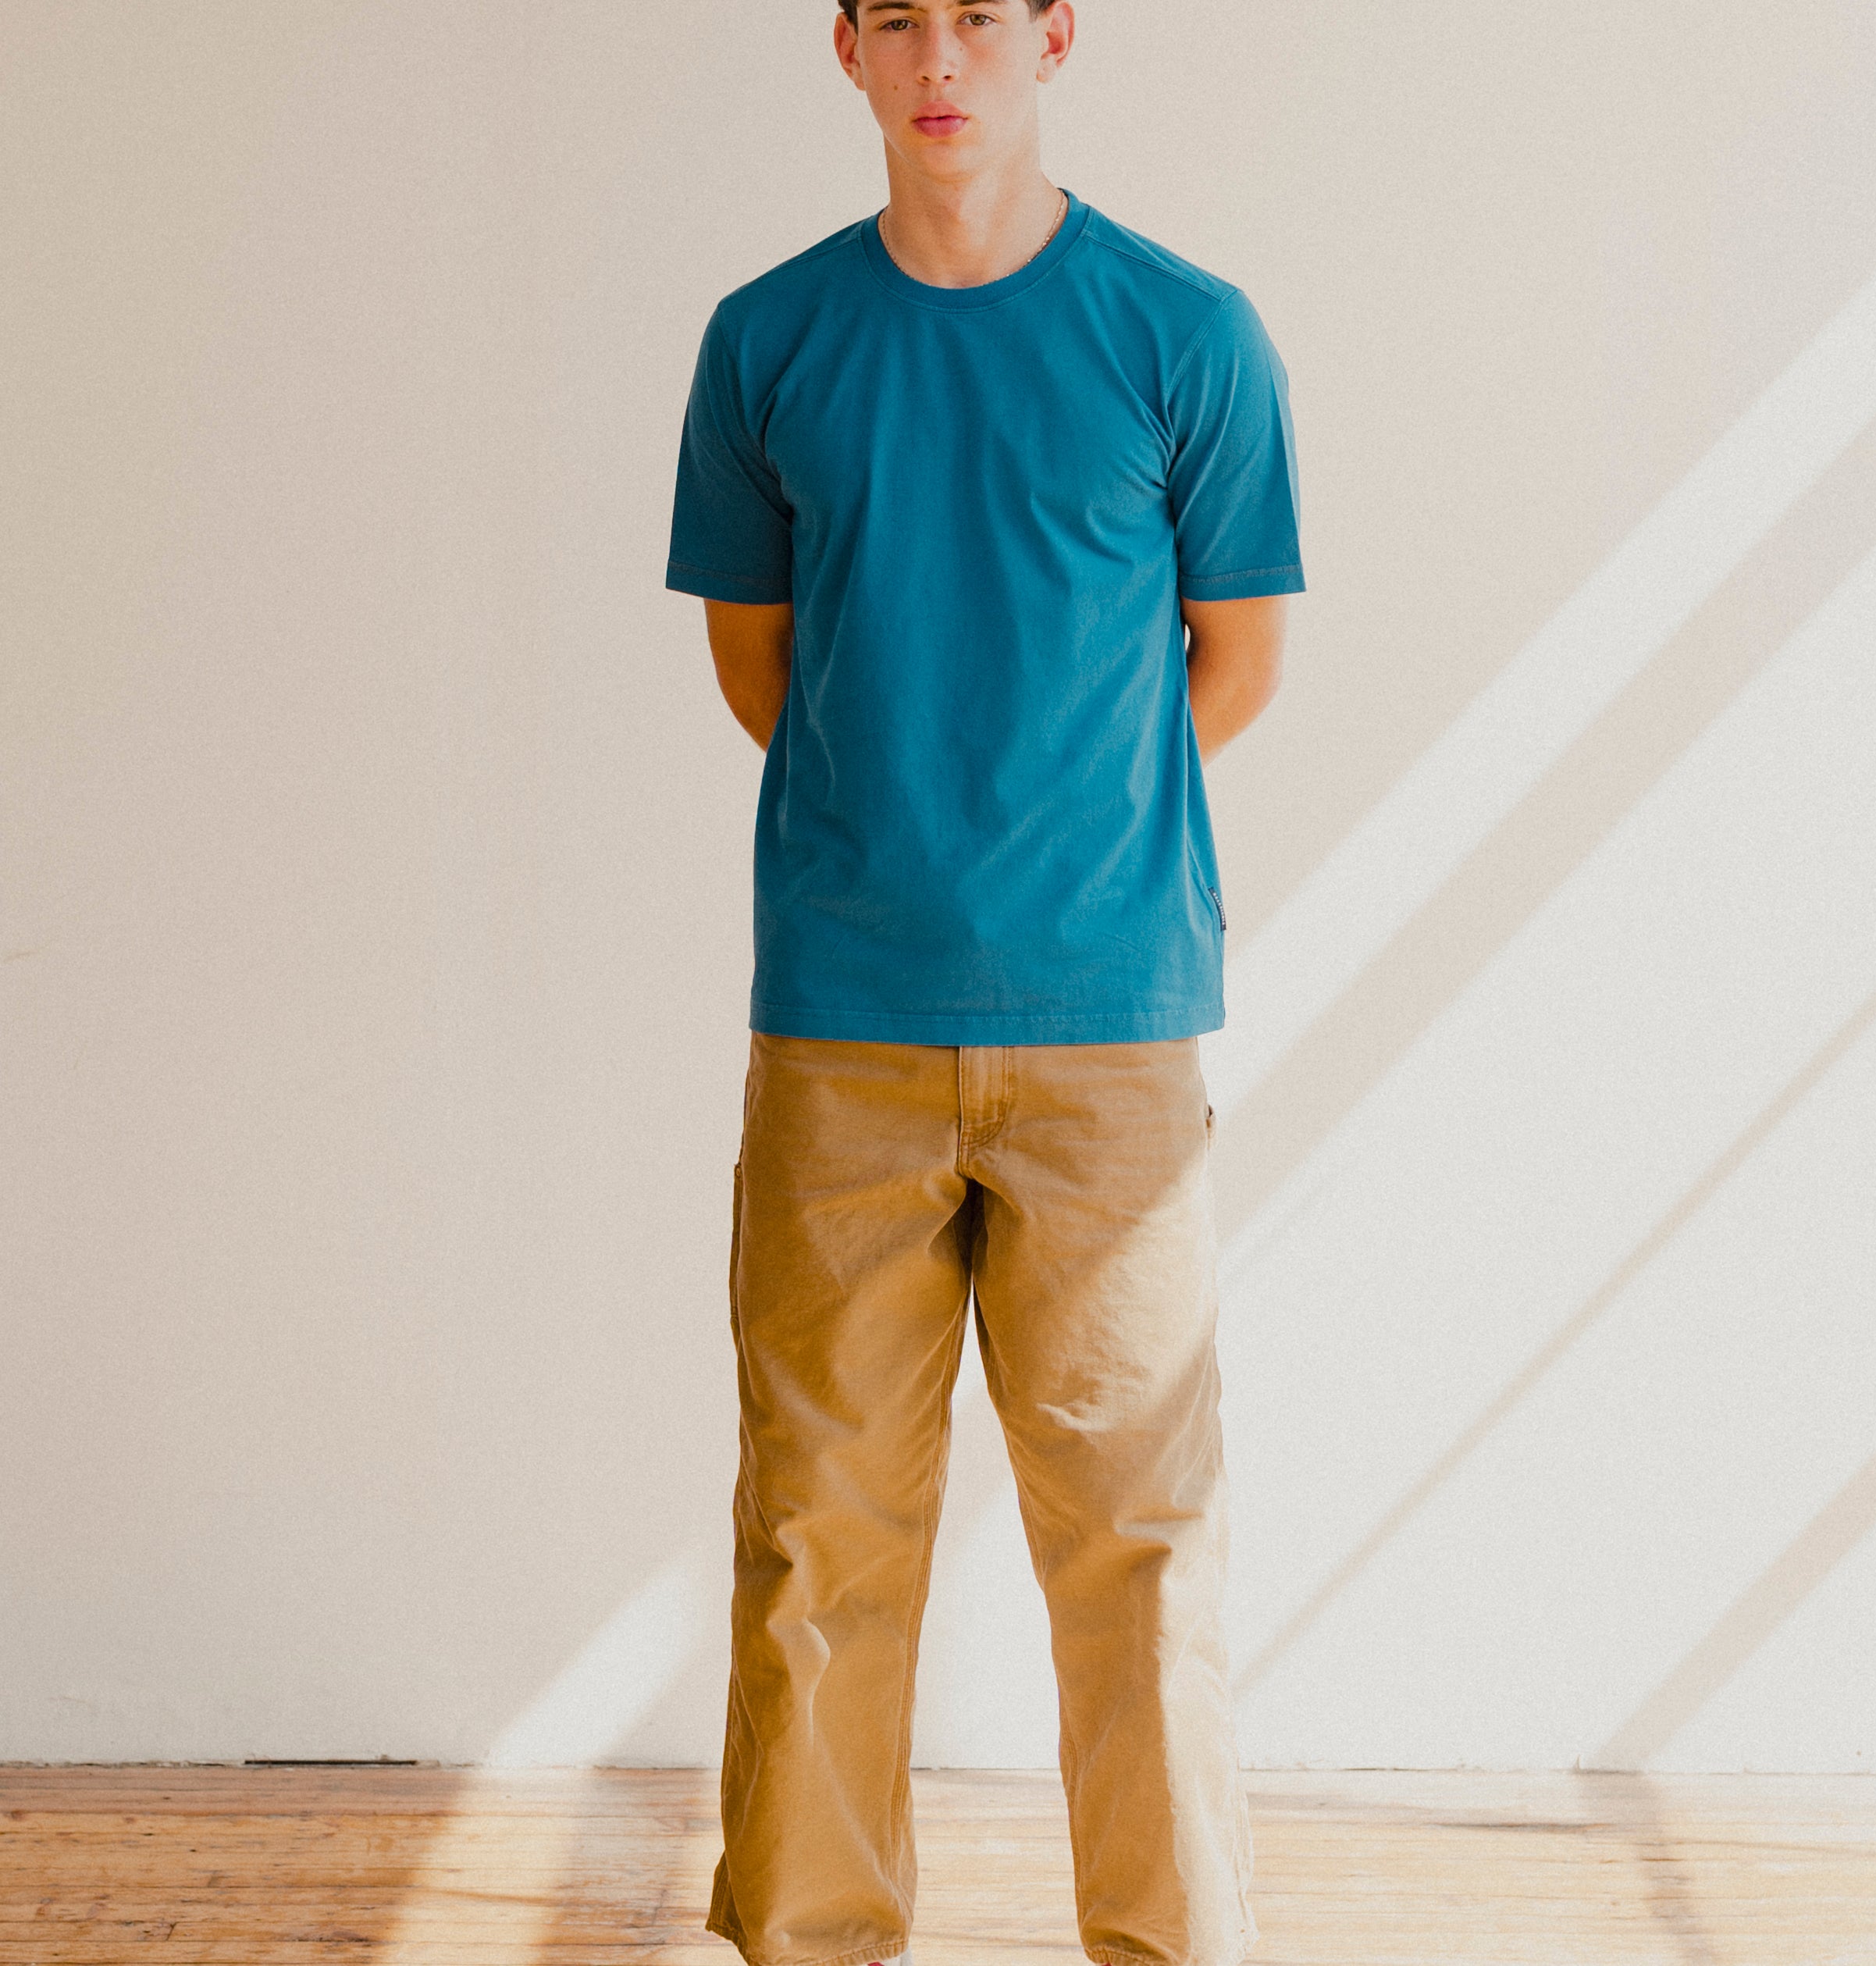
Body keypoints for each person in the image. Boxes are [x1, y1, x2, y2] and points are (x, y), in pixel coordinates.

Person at [664, 4, 1302, 1963]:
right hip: (841, 1027)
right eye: (900, 20)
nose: (941, 56)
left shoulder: (1184, 336)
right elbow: (759, 667)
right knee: (815, 1536)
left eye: (978, 18)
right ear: (843, 50)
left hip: (1107, 1038)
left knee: (1139, 1548)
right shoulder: (768, 340)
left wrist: (1061, 849)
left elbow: (1236, 658)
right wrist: (911, 842)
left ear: (1050, 40)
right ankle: (812, 1940)